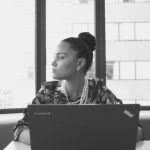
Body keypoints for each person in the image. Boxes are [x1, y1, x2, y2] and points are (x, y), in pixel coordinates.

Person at [13, 32, 143, 145]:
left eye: (61, 57)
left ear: (80, 63)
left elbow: (135, 129)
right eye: (55, 57)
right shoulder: (48, 91)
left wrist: (92, 140)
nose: (53, 63)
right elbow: (20, 128)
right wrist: (53, 141)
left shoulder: (99, 91)